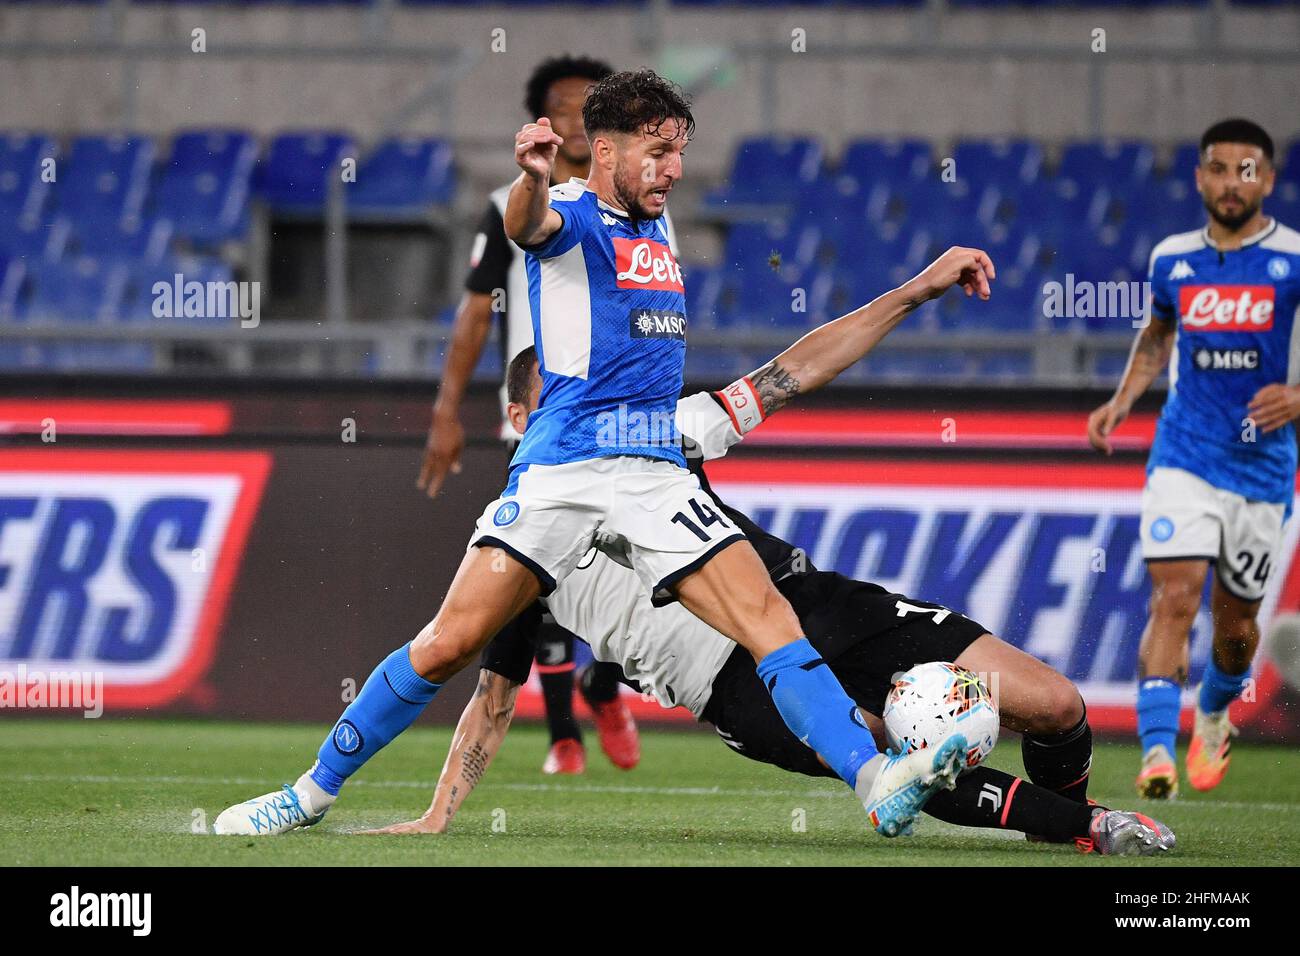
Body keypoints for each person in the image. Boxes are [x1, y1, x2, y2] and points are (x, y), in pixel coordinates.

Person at [213, 69, 996, 840]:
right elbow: (528, 228)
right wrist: (529, 177)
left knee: (768, 619)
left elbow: (795, 370)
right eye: (657, 151)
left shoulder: (656, 230)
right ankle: (308, 795)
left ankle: (875, 780)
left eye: (680, 151)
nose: (675, 169)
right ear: (605, 150)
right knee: (447, 644)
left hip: (652, 469)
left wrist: (916, 289)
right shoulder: (570, 212)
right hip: (563, 468)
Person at [367, 335, 1174, 856]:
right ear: (517, 417)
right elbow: (493, 701)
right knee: (900, 761)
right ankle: (1092, 829)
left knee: (1057, 703)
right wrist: (440, 812)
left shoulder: (659, 437)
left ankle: (1061, 824)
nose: (586, 407)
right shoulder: (518, 554)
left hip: (811, 602)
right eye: (561, 395)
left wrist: (918, 290)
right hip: (734, 687)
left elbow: (793, 372)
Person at [418, 54, 642, 776]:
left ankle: (603, 685)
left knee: (631, 561)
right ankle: (562, 736)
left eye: (589, 105)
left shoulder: (639, 205)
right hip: (544, 413)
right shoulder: (512, 203)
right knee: (533, 573)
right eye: (562, 106)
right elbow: (476, 312)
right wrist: (447, 411)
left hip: (623, 413)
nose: (576, 118)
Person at [1087, 118, 1300, 798]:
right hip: (1183, 456)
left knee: (1235, 626)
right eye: (1218, 168)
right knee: (1173, 597)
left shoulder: (1293, 258)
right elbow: (1156, 336)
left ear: (1266, 180)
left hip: (1262, 471)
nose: (1231, 182)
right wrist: (1122, 401)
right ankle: (1156, 754)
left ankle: (1213, 713)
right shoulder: (1172, 259)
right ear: (1200, 177)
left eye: (1246, 170)